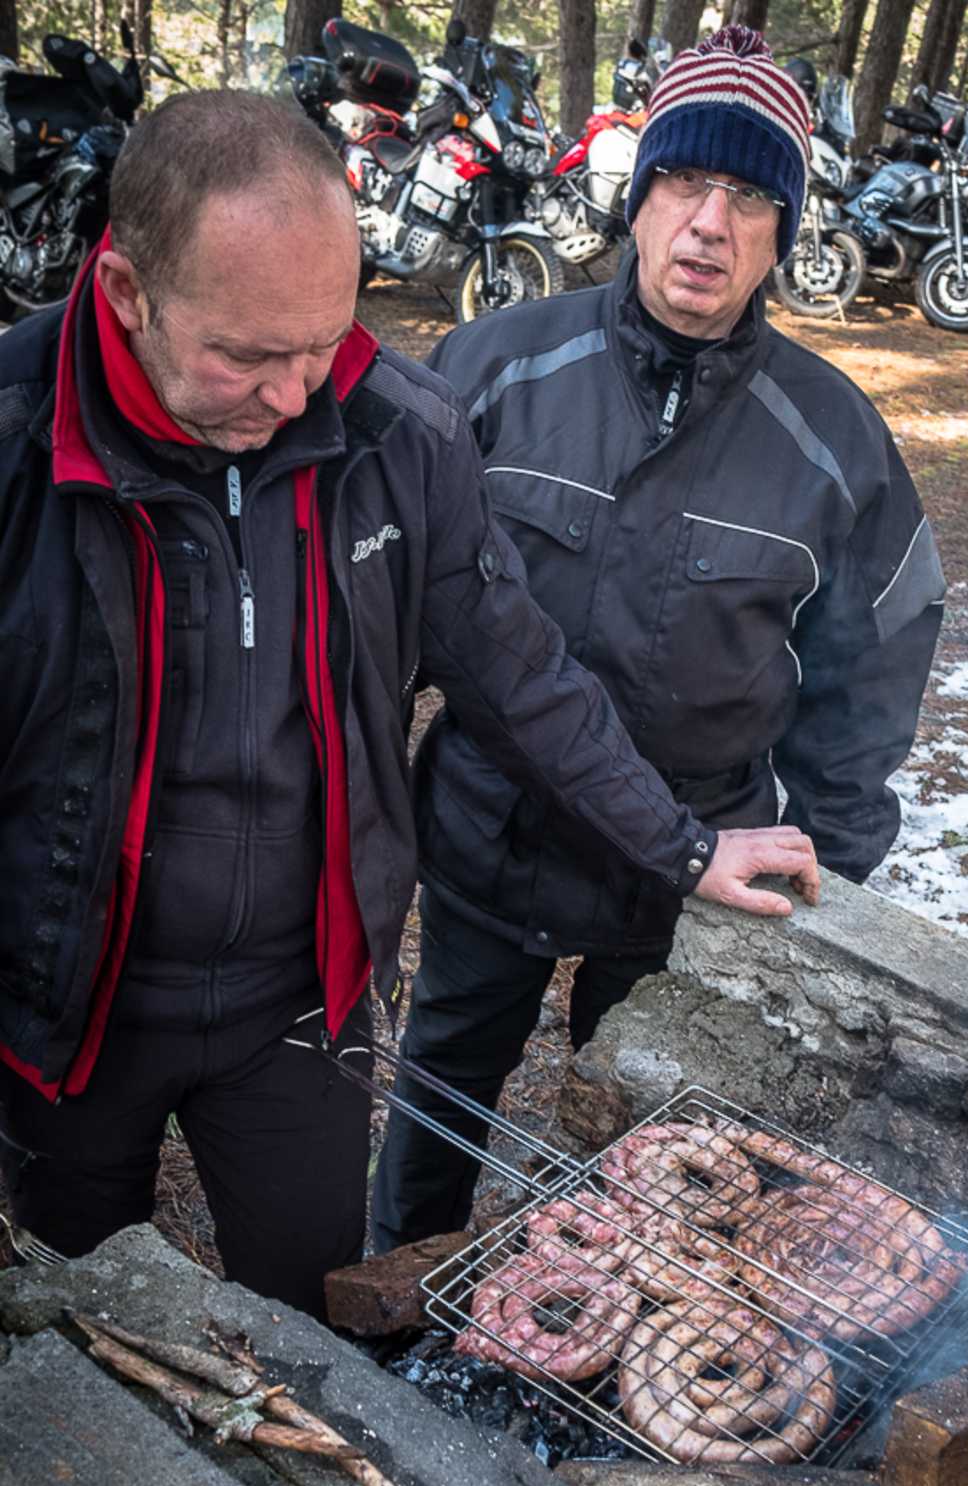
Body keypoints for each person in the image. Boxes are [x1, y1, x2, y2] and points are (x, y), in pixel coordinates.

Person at [0, 89, 819, 1318]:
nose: (294, 396)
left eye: (322, 342)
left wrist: (686, 845)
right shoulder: (18, 433)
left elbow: (520, 675)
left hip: (297, 999)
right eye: (245, 356)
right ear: (126, 292)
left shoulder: (396, 428)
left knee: (316, 1321)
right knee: (83, 1328)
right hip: (64, 1005)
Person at [372, 25, 946, 1253]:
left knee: (652, 1154)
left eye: (751, 197)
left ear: (785, 234)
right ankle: (388, 1316)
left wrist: (825, 877)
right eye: (683, 181)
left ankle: (600, 1315)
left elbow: (874, 674)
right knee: (439, 1104)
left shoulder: (836, 440)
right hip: (490, 837)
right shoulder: (493, 369)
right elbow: (381, 613)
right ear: (636, 201)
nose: (708, 225)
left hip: (699, 873)